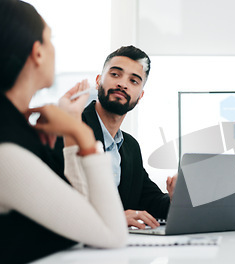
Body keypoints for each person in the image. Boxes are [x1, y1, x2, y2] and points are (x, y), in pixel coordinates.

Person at [0, 0, 127, 262]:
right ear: (37, 52)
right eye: (51, 39)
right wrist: (83, 135)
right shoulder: (7, 149)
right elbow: (112, 235)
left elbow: (81, 218)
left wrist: (71, 123)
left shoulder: (15, 128)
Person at [60, 45, 177, 229]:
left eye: (134, 81)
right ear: (98, 81)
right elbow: (58, 201)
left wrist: (175, 197)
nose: (123, 84)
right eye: (115, 74)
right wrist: (112, 218)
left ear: (140, 96)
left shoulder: (130, 146)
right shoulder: (70, 130)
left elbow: (151, 202)